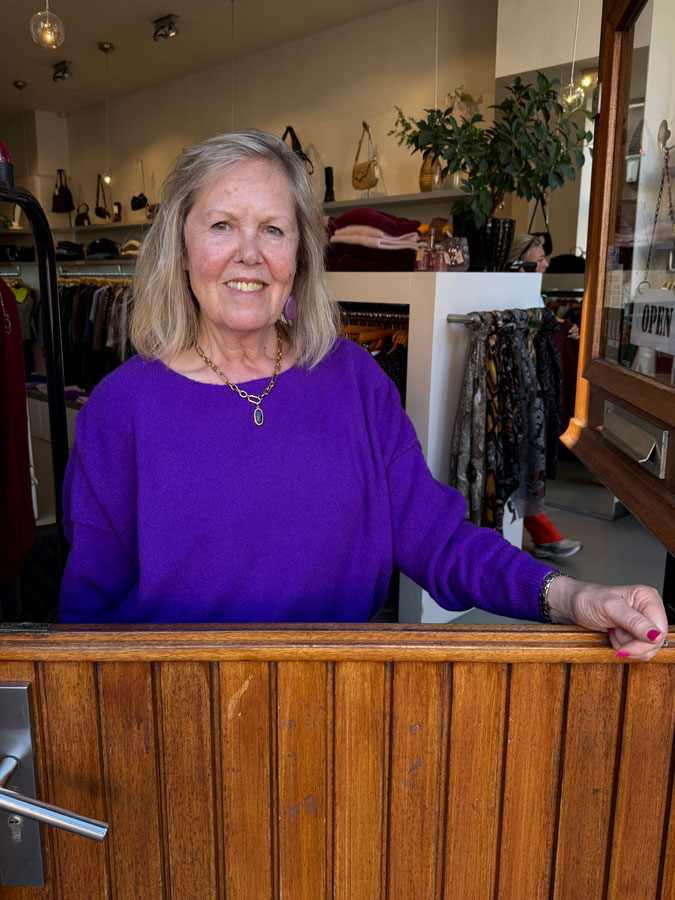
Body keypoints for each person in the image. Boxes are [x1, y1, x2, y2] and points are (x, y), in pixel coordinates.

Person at [59, 129, 668, 661]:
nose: (249, 253)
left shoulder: (352, 379)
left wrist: (571, 596)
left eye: (273, 229)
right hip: (186, 733)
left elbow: (435, 537)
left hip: (341, 716)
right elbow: (87, 623)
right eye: (221, 225)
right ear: (182, 248)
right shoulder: (121, 411)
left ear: (298, 257)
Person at [507, 233, 582, 561]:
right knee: (524, 462)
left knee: (528, 463)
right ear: (521, 263)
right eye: (539, 258)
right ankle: (544, 535)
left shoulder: (531, 294)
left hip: (533, 391)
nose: (546, 263)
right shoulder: (513, 293)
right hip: (520, 390)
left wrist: (564, 326)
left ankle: (544, 534)